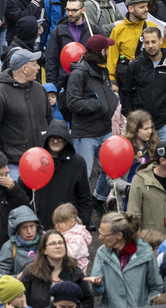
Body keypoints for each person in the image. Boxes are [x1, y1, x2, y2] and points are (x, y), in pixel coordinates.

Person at [63, 34, 118, 211]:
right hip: (85, 134)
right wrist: (97, 104)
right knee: (83, 175)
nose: (108, 51)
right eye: (106, 48)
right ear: (100, 51)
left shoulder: (101, 68)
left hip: (105, 129)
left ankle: (98, 199)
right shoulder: (79, 73)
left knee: (111, 169)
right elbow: (72, 103)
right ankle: (81, 213)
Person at [0, 48, 54, 181]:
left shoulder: (40, 89)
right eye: (34, 64)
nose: (39, 68)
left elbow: (50, 120)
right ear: (24, 68)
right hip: (14, 165)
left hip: (42, 161)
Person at [87, 210, 162, 308]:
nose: (100, 237)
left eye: (104, 234)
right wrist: (97, 286)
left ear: (119, 235)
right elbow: (96, 292)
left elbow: (156, 287)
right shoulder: (102, 253)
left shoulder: (146, 254)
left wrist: (147, 306)